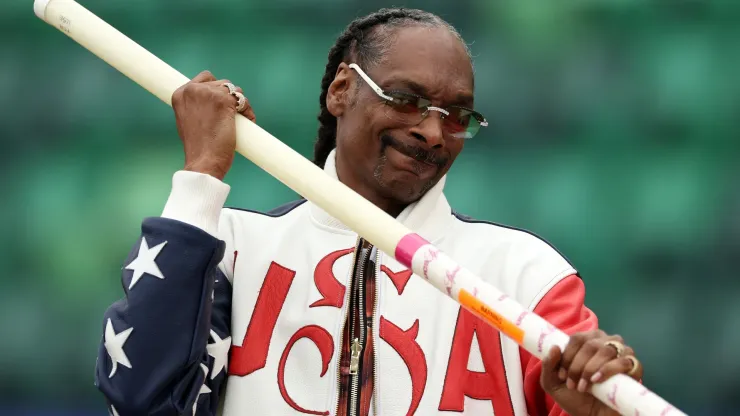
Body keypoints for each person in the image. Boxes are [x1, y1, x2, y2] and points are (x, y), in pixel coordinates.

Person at [95, 8, 643, 416]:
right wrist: (201, 176)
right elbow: (140, 396)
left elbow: (590, 392)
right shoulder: (233, 248)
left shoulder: (525, 274)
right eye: (406, 100)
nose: (432, 131)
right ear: (341, 91)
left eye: (457, 116)